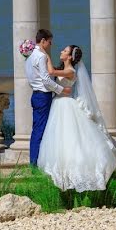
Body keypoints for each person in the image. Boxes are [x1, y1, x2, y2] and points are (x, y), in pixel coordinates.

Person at [37, 45, 116, 191]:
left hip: (65, 105)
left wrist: (45, 54)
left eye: (64, 51)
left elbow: (50, 72)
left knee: (71, 138)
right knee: (60, 138)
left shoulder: (70, 71)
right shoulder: (65, 68)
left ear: (70, 57)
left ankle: (74, 173)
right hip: (58, 103)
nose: (61, 51)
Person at [25, 29, 70, 166]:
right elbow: (46, 80)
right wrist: (62, 89)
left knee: (37, 128)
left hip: (35, 94)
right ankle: (35, 163)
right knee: (41, 129)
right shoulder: (41, 56)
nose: (50, 45)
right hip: (43, 96)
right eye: (49, 42)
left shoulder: (29, 55)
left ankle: (35, 161)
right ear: (43, 40)